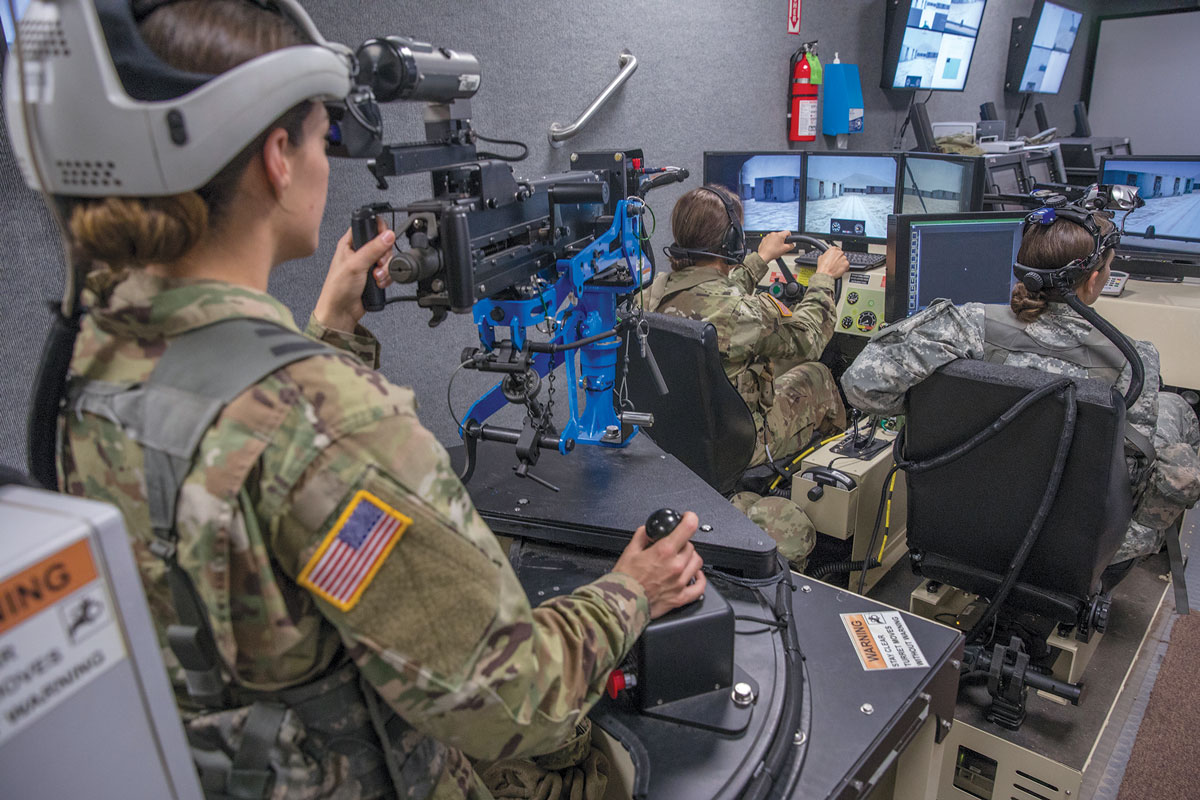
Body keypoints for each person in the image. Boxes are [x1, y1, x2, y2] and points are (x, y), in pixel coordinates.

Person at [44, 2, 706, 798]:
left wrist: (328, 334)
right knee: (608, 763)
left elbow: (245, 492)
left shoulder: (89, 360)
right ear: (276, 159)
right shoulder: (333, 424)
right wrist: (631, 593)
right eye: (324, 139)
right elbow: (508, 698)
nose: (329, 164)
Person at [842, 210, 1200, 567]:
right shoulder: (1134, 363)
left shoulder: (963, 327)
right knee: (1176, 411)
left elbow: (861, 386)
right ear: (1093, 281)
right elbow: (1131, 478)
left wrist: (931, 408)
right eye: (1108, 267)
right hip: (1080, 545)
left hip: (965, 518)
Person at [644, 185, 850, 468]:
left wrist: (761, 259)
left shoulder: (650, 294)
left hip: (676, 438)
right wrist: (824, 277)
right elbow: (811, 338)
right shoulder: (746, 314)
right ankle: (830, 474)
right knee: (817, 374)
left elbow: (711, 295)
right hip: (738, 446)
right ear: (733, 240)